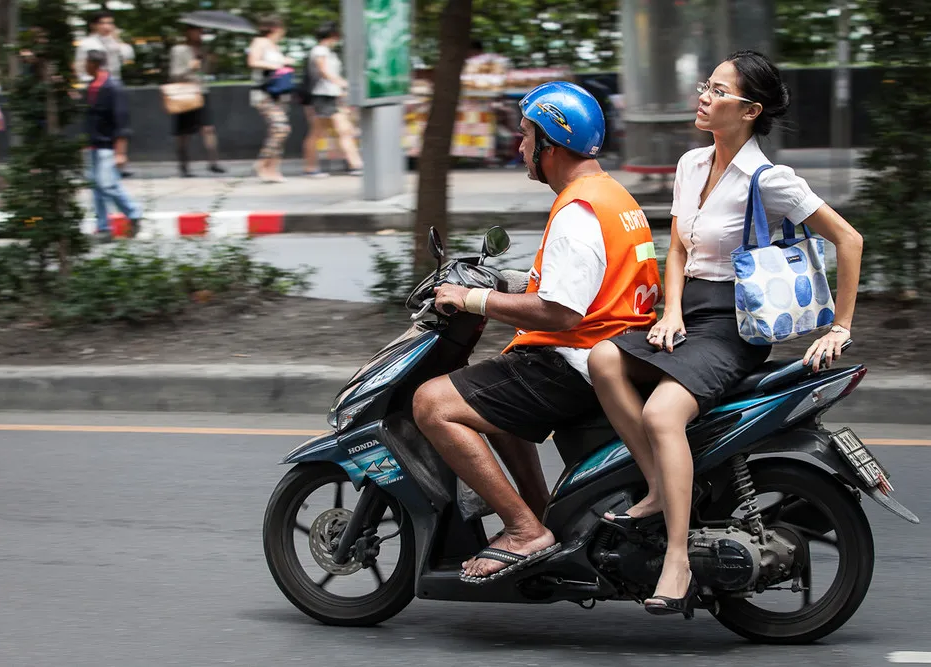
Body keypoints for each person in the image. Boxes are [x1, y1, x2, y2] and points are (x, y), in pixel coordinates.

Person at [586, 50, 864, 616]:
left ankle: (678, 558)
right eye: (704, 85)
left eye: (717, 90)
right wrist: (670, 312)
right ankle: (659, 487)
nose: (703, 97)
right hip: (691, 313)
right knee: (601, 359)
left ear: (749, 109)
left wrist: (840, 326)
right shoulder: (691, 164)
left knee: (664, 414)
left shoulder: (770, 180)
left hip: (736, 325)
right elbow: (679, 246)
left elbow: (849, 240)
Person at [412, 82, 662, 583]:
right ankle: (542, 512)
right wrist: (504, 282)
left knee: (432, 403)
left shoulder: (577, 210)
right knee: (491, 395)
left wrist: (472, 298)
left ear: (550, 142)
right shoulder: (611, 195)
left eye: (527, 136)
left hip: (576, 359)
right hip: (616, 348)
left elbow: (561, 311)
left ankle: (524, 530)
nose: (520, 147)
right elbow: (588, 279)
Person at [83, 50, 142, 243]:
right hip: (94, 145)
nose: (83, 66)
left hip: (108, 145)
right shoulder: (92, 86)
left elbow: (121, 120)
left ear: (93, 64)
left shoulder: (112, 87)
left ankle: (133, 213)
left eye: (86, 62)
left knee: (107, 185)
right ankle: (103, 227)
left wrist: (121, 152)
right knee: (97, 188)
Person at [302, 22, 362, 177]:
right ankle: (311, 167)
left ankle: (355, 164)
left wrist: (340, 89)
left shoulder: (328, 52)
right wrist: (342, 84)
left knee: (343, 130)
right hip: (322, 97)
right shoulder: (320, 50)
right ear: (332, 35)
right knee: (319, 132)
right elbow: (324, 71)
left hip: (330, 96)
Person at [169, 26, 226, 177]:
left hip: (201, 91)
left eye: (201, 31)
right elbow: (174, 74)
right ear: (188, 32)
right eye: (196, 31)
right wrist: (190, 67)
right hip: (184, 93)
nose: (199, 34)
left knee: (208, 128)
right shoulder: (179, 50)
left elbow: (205, 72)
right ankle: (184, 166)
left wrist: (210, 62)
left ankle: (213, 162)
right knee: (183, 133)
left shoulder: (202, 50)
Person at [248, 15, 293, 183]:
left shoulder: (275, 46)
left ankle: (273, 169)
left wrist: (285, 62)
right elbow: (253, 61)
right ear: (276, 28)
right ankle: (262, 163)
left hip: (279, 93)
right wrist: (276, 65)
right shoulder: (260, 42)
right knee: (281, 128)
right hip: (263, 93)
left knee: (277, 131)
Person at [74, 11, 135, 84]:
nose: (106, 26)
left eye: (110, 23)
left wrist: (117, 39)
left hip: (114, 81)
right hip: (93, 82)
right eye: (102, 23)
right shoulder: (88, 43)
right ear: (93, 25)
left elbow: (128, 56)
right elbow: (94, 60)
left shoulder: (114, 41)